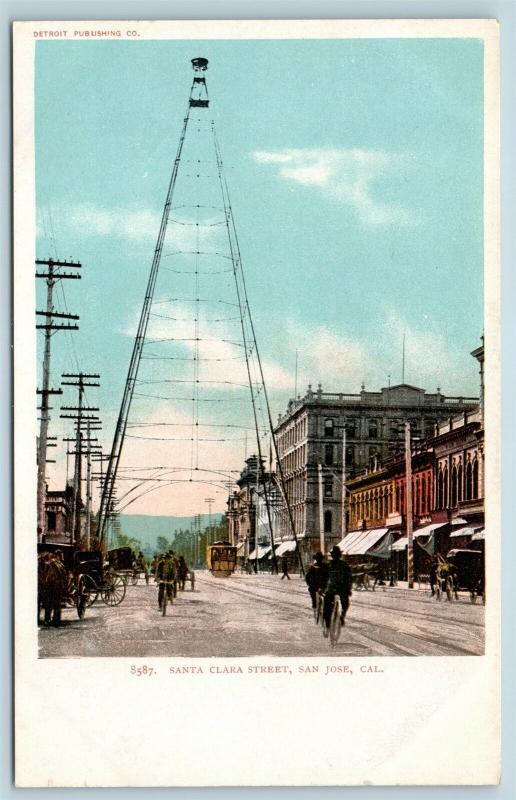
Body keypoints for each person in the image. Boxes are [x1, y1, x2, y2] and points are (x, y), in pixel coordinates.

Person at [322, 545, 352, 634]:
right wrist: (348, 589)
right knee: (345, 603)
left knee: (327, 608)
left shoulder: (329, 565)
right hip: (341, 589)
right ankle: (342, 616)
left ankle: (327, 625)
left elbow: (324, 578)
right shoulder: (344, 565)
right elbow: (349, 578)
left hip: (332, 589)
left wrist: (323, 588)